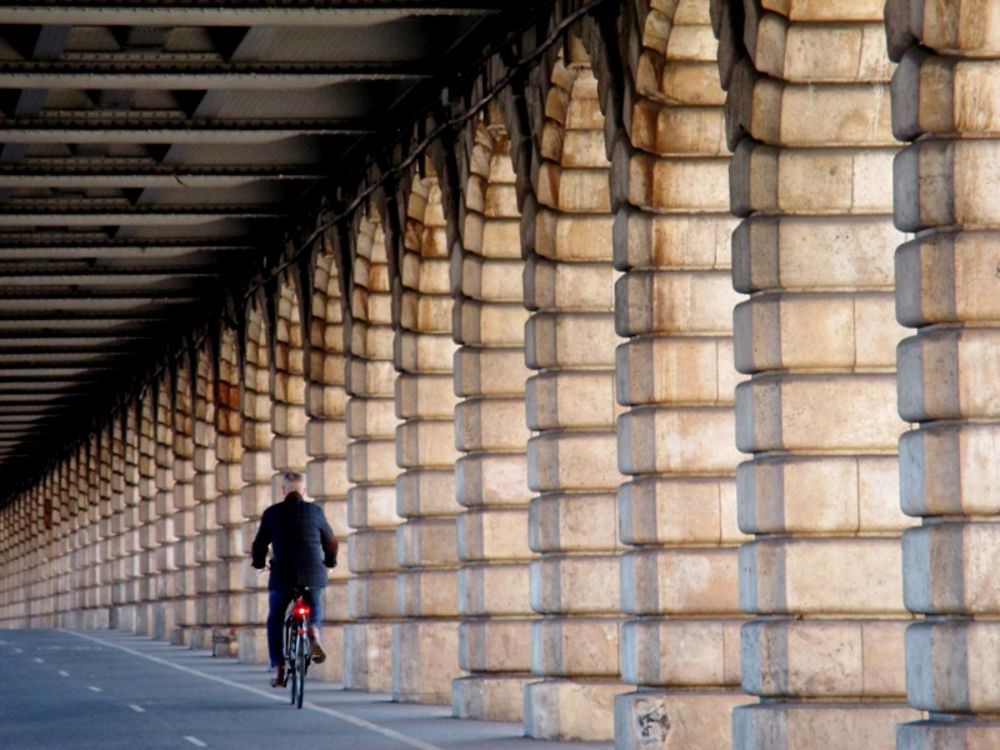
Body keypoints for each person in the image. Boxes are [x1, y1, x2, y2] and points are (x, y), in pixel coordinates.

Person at [251, 470, 338, 688]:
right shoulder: (315, 512)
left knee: (275, 619)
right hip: (313, 573)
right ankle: (314, 632)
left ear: (283, 490)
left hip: (283, 575)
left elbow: (259, 544)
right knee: (314, 604)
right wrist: (329, 562)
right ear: (304, 490)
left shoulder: (272, 513)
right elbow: (331, 541)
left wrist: (259, 563)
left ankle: (279, 667)